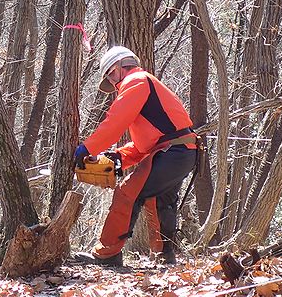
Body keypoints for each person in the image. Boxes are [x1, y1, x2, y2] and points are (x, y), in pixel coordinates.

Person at [74, 46, 197, 265]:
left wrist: (87, 148)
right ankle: (165, 255)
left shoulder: (136, 80)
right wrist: (118, 157)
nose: (112, 83)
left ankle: (108, 254)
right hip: (178, 151)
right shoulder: (142, 84)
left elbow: (115, 122)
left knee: (128, 193)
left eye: (111, 74)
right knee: (162, 201)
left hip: (173, 151)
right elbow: (144, 145)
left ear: (122, 65)